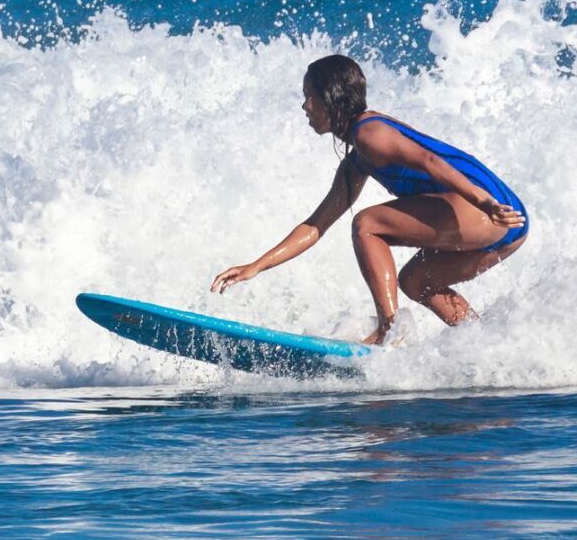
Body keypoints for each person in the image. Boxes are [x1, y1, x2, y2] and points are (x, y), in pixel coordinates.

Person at [210, 54, 527, 345]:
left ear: (331, 97)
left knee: (366, 223)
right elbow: (315, 225)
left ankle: (390, 331)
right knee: (416, 281)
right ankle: (484, 345)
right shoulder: (358, 160)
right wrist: (256, 266)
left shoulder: (369, 133)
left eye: (309, 96)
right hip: (508, 225)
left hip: (484, 209)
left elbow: (431, 162)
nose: (304, 106)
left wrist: (484, 203)